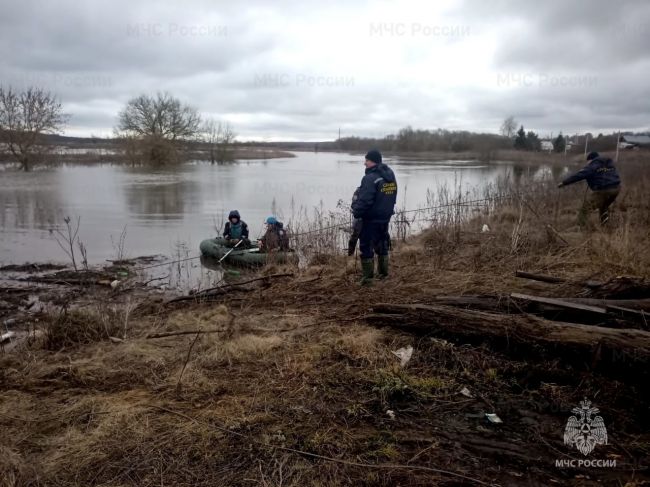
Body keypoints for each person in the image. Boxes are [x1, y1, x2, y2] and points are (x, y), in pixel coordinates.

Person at [351, 149, 397, 285]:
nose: (364, 163)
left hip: (370, 219)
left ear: (373, 161)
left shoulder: (370, 178)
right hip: (385, 218)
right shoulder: (390, 175)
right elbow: (393, 196)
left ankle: (368, 279)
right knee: (382, 244)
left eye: (367, 160)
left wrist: (357, 212)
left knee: (366, 247)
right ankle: (383, 274)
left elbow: (365, 200)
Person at [558, 151, 621, 226]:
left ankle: (580, 227)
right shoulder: (608, 163)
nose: (587, 163)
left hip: (604, 190)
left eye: (588, 161)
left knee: (586, 207)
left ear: (591, 159)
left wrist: (564, 183)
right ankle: (605, 224)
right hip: (616, 189)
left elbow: (579, 175)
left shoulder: (593, 164)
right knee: (604, 205)